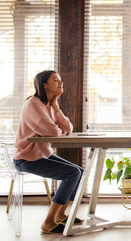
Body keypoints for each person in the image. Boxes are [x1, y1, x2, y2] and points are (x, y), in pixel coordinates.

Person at [13, 70, 84, 235]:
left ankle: (60, 215)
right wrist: (59, 130)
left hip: (41, 154)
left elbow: (68, 128)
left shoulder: (48, 105)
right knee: (72, 173)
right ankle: (48, 222)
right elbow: (53, 131)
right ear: (44, 84)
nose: (61, 83)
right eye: (56, 80)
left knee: (80, 172)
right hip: (26, 158)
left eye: (60, 80)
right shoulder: (33, 104)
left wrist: (56, 106)